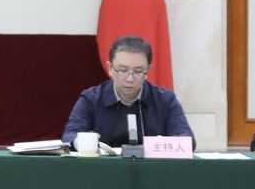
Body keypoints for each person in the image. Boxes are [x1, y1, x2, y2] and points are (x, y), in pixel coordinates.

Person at [63, 35, 193, 147]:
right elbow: (69, 136)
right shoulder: (91, 99)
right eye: (123, 70)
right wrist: (84, 142)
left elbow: (188, 140)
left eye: (138, 71)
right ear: (110, 68)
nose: (130, 79)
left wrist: (165, 143)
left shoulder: (165, 100)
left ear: (148, 70)